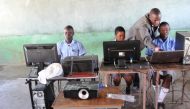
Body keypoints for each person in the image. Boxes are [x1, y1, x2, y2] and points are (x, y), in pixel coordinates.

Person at [128, 8, 162, 89]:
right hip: (130, 45)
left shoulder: (152, 20)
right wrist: (155, 47)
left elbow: (152, 34)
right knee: (132, 64)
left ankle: (136, 84)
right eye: (155, 20)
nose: (158, 22)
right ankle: (132, 84)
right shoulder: (143, 24)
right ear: (150, 17)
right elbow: (146, 39)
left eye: (159, 19)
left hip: (137, 45)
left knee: (136, 61)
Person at [146, 22, 176, 109]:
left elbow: (177, 54)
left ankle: (159, 101)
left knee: (168, 77)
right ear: (159, 30)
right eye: (162, 30)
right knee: (156, 75)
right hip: (156, 67)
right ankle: (159, 101)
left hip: (169, 67)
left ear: (169, 30)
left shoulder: (173, 41)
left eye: (167, 29)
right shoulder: (153, 41)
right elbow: (147, 55)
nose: (165, 31)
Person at [112, 26, 134, 94]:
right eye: (120, 36)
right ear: (115, 36)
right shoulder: (111, 44)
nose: (122, 38)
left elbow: (132, 56)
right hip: (115, 66)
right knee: (116, 78)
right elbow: (108, 58)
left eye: (123, 36)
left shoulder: (128, 44)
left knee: (129, 77)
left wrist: (131, 58)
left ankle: (128, 87)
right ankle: (117, 88)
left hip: (126, 66)